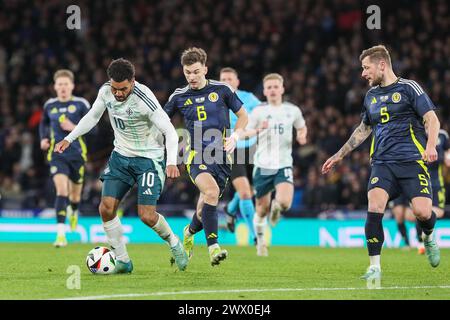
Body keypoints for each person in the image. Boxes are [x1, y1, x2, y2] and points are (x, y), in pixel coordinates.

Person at [54, 58, 188, 273]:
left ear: (133, 81)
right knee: (106, 208)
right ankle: (123, 261)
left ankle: (174, 243)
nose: (118, 93)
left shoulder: (145, 99)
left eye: (123, 89)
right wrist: (69, 138)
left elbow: (170, 132)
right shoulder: (106, 91)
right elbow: (92, 117)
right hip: (121, 156)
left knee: (146, 215)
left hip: (149, 160)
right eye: (115, 88)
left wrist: (172, 162)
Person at [322, 45, 441, 281]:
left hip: (411, 162)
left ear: (382, 65)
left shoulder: (409, 88)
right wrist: (339, 155)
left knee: (422, 212)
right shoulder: (371, 96)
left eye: (366, 68)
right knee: (374, 206)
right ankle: (375, 266)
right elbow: (364, 129)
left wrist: (430, 146)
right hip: (382, 163)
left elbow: (432, 119)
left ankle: (428, 236)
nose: (363, 73)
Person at [164, 47, 248, 266]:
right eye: (187, 72)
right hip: (196, 157)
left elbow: (243, 116)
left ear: (205, 69)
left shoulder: (222, 90)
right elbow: (162, 123)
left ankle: (188, 233)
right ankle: (213, 248)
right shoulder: (179, 96)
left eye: (196, 72)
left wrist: (236, 136)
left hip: (222, 160)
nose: (191, 77)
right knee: (211, 192)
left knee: (203, 210)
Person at [242, 73, 307, 257]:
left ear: (282, 89)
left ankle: (277, 210)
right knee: (261, 210)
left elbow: (301, 126)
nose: (272, 90)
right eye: (268, 87)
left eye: (275, 87)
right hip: (262, 165)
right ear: (264, 91)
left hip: (283, 163)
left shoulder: (292, 110)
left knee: (285, 202)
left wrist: (302, 135)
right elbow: (244, 133)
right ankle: (261, 242)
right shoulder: (258, 112)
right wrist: (256, 130)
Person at [39, 69, 91, 247]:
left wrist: (73, 127)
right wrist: (43, 139)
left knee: (75, 196)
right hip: (57, 154)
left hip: (77, 154)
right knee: (62, 191)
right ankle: (61, 235)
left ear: (72, 86)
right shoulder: (49, 106)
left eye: (65, 84)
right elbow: (43, 124)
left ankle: (74, 212)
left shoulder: (81, 104)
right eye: (59, 84)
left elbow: (94, 129)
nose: (62, 87)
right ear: (55, 86)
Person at [219, 67, 261, 244]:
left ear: (237, 82)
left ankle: (230, 209)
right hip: (230, 148)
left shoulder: (249, 98)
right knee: (245, 193)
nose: (227, 82)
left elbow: (262, 115)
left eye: (230, 79)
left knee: (253, 190)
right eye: (223, 79)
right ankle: (256, 236)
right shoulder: (214, 99)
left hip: (252, 147)